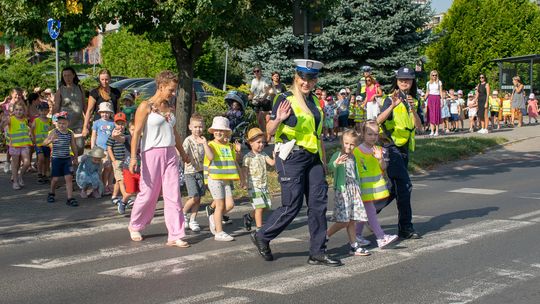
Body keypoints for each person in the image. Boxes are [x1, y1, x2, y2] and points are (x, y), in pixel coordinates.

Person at [251, 59, 342, 266]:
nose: (306, 82)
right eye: (303, 78)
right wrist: (279, 118)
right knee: (292, 205)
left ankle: (318, 252)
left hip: (313, 157)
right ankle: (263, 235)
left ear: (315, 80)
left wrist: (324, 161)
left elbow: (316, 135)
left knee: (318, 204)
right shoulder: (284, 98)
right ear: (296, 77)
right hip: (291, 156)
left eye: (311, 78)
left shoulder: (315, 103)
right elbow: (269, 132)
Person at [128, 70, 190, 248]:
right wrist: (133, 157)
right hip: (151, 153)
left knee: (173, 195)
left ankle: (175, 234)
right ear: (161, 86)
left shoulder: (168, 107)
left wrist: (183, 153)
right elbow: (137, 134)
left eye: (174, 90)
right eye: (170, 90)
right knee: (148, 194)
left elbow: (175, 133)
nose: (173, 93)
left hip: (170, 153)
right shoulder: (145, 106)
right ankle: (135, 225)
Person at [376, 67, 423, 240]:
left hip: (404, 149)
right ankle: (406, 227)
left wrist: (412, 109)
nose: (405, 82)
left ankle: (369, 212)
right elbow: (378, 121)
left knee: (395, 189)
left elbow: (419, 126)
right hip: (391, 147)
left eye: (408, 80)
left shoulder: (415, 101)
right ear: (396, 81)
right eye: (401, 80)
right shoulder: (389, 99)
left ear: (412, 82)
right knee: (405, 186)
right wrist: (393, 106)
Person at [354, 120, 399, 248]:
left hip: (373, 188)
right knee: (371, 211)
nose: (373, 137)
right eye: (370, 134)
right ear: (362, 134)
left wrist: (380, 158)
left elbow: (383, 167)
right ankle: (381, 237)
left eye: (375, 134)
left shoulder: (380, 150)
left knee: (365, 213)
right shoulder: (356, 151)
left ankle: (357, 235)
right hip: (361, 188)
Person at [326, 130, 370, 256]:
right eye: (346, 143)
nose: (348, 147)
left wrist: (359, 189)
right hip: (343, 190)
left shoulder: (354, 157)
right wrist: (336, 163)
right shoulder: (338, 154)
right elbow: (329, 167)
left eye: (351, 144)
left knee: (352, 220)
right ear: (342, 142)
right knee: (344, 220)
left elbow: (356, 174)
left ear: (355, 145)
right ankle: (325, 236)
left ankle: (354, 245)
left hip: (353, 190)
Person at [203, 116, 243, 242]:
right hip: (214, 178)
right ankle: (219, 232)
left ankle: (214, 217)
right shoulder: (211, 145)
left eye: (221, 130)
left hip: (226, 179)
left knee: (230, 205)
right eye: (216, 130)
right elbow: (209, 157)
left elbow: (235, 162)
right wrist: (204, 144)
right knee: (220, 205)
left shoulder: (229, 146)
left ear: (227, 132)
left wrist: (238, 152)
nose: (218, 132)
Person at [182, 113, 213, 232]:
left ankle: (193, 219)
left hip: (201, 171)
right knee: (194, 196)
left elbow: (209, 156)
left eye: (200, 127)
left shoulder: (204, 140)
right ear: (190, 127)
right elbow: (184, 153)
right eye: (195, 127)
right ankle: (183, 213)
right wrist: (185, 157)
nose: (197, 129)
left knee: (199, 198)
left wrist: (204, 143)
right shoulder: (188, 140)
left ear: (203, 127)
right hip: (190, 172)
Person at [242, 128, 275, 232]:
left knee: (265, 207)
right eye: (258, 142)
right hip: (254, 187)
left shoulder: (264, 154)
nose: (261, 144)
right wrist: (244, 182)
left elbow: (272, 163)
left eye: (263, 142)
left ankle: (249, 217)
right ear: (250, 143)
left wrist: (275, 156)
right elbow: (244, 171)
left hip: (263, 185)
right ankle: (259, 229)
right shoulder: (247, 157)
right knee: (259, 207)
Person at [43, 111, 79, 206]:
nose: (61, 125)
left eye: (64, 123)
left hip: (67, 159)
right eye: (59, 123)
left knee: (69, 178)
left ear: (68, 123)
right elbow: (44, 143)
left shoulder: (70, 133)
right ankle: (51, 193)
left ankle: (70, 198)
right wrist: (51, 140)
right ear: (56, 123)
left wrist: (75, 157)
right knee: (55, 179)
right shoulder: (54, 132)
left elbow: (74, 146)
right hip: (56, 159)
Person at [54, 67, 86, 155]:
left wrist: (87, 121)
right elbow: (56, 107)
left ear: (73, 75)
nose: (67, 78)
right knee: (65, 148)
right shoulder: (60, 90)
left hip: (78, 123)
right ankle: (69, 166)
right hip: (64, 124)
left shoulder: (80, 88)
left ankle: (74, 163)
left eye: (69, 75)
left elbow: (84, 106)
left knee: (80, 147)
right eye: (65, 76)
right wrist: (54, 121)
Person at [1, 101, 32, 189]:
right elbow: (2, 128)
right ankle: (15, 182)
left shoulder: (25, 120)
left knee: (27, 163)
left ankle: (20, 176)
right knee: (15, 164)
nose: (19, 112)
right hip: (14, 145)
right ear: (13, 110)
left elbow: (29, 129)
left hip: (25, 144)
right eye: (17, 110)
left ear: (24, 110)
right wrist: (2, 122)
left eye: (21, 110)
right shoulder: (11, 119)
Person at [82, 69, 121, 137]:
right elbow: (89, 111)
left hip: (112, 123)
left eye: (106, 79)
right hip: (99, 124)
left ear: (110, 79)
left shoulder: (116, 92)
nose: (104, 82)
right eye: (102, 79)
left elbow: (118, 110)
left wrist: (120, 123)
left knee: (111, 145)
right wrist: (85, 127)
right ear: (99, 79)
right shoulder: (94, 92)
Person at [107, 112, 129, 214]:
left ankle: (114, 196)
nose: (120, 126)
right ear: (114, 124)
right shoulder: (112, 136)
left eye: (122, 123)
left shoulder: (126, 136)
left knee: (118, 181)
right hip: (117, 161)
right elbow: (109, 148)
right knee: (121, 180)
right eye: (118, 123)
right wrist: (114, 161)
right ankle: (125, 196)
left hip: (124, 161)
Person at [91, 102, 115, 195]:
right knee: (101, 168)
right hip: (99, 149)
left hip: (109, 149)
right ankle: (102, 186)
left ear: (110, 113)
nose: (105, 114)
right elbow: (93, 135)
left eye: (107, 112)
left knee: (110, 168)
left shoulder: (113, 123)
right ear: (100, 113)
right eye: (103, 112)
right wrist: (93, 146)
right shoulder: (97, 123)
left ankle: (108, 185)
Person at [31, 102, 53, 184]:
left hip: (47, 144)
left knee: (47, 160)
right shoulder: (36, 120)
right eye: (42, 110)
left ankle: (45, 174)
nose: (44, 112)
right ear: (39, 111)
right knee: (41, 158)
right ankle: (39, 173)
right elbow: (32, 129)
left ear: (48, 111)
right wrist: (33, 139)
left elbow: (52, 131)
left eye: (45, 110)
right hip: (39, 144)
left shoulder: (50, 121)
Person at [249, 66, 271, 139]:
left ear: (261, 72)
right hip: (257, 101)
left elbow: (268, 91)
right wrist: (249, 98)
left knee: (262, 119)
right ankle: (263, 137)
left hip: (265, 101)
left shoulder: (265, 80)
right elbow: (252, 92)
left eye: (258, 71)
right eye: (255, 71)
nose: (256, 73)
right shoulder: (253, 81)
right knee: (259, 121)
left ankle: (266, 137)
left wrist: (263, 98)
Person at [121, 122, 139, 208]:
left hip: (141, 169)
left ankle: (139, 208)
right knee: (130, 191)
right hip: (128, 169)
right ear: (129, 129)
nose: (134, 131)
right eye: (132, 129)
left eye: (136, 129)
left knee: (141, 191)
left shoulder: (144, 138)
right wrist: (115, 136)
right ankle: (123, 202)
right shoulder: (127, 138)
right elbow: (120, 139)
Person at [425, 70, 442, 136]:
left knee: (436, 114)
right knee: (431, 114)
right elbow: (427, 92)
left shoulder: (439, 82)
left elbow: (440, 91)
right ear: (431, 76)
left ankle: (437, 131)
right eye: (433, 75)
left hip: (437, 98)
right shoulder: (428, 83)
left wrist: (442, 100)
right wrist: (423, 99)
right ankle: (432, 131)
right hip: (430, 98)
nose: (434, 76)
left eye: (436, 75)